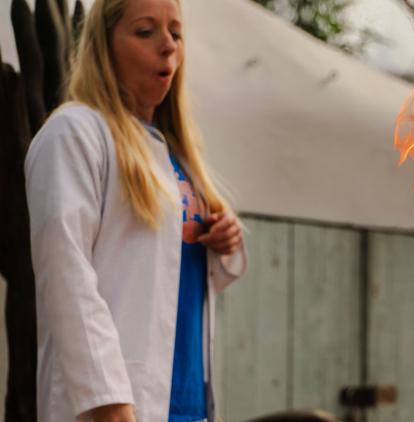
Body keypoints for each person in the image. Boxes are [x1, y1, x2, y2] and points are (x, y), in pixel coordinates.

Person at [24, 0, 247, 420]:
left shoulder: (176, 151)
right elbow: (66, 276)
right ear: (104, 46)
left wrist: (225, 237)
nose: (167, 46)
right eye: (146, 32)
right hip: (116, 407)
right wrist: (110, 404)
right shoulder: (74, 133)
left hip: (186, 405)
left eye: (175, 33)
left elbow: (164, 281)